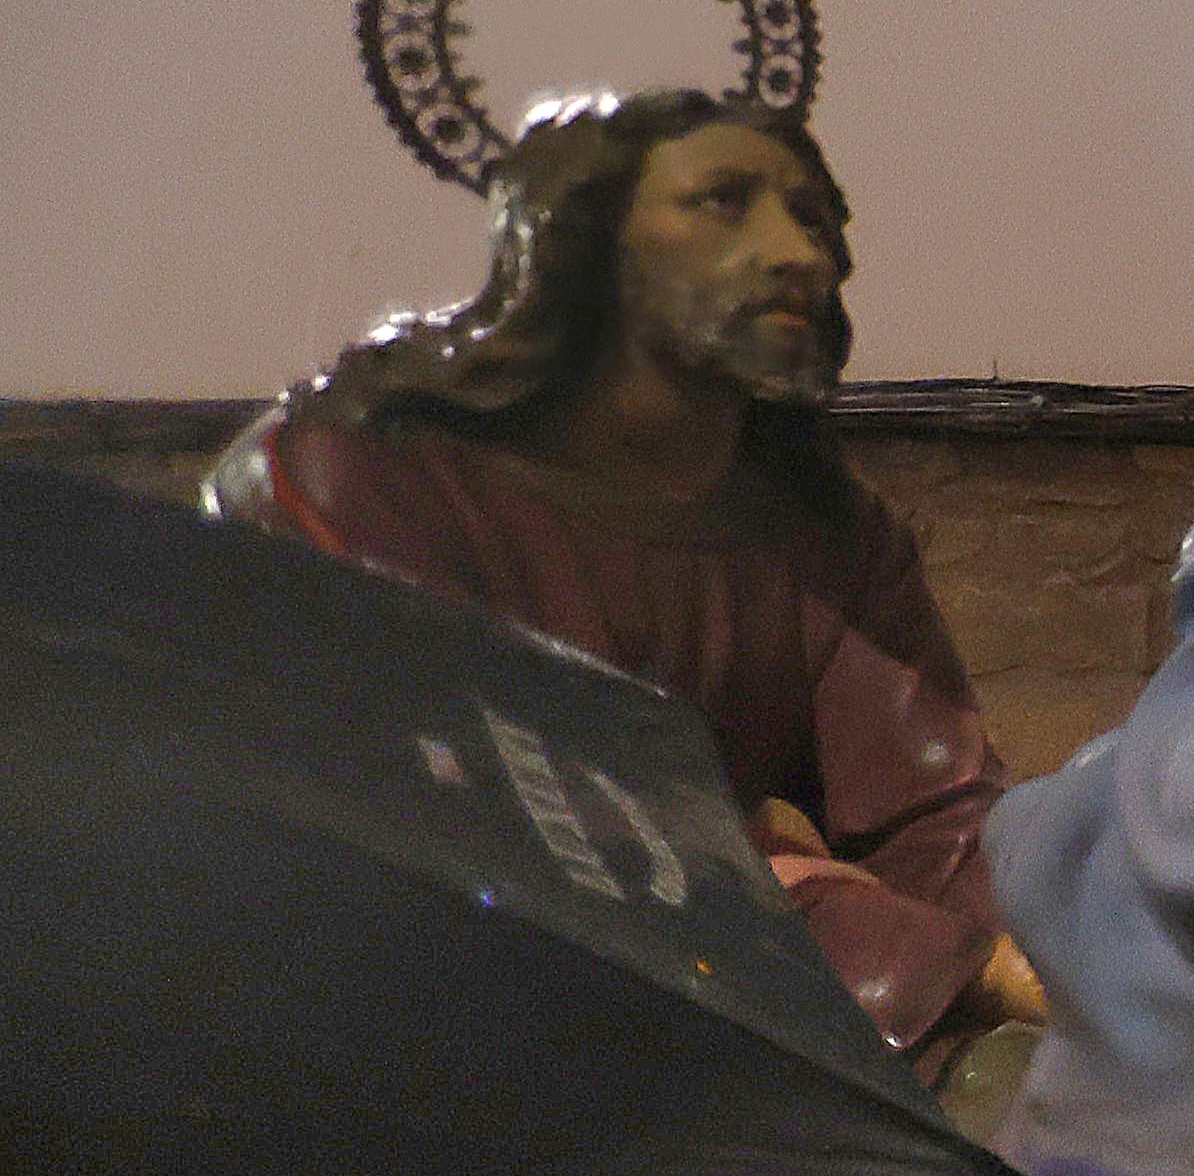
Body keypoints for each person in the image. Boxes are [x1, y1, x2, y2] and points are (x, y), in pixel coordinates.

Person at [209, 90, 1033, 1052]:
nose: (797, 253)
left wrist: (1086, 941)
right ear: (582, 241)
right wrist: (906, 944)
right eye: (725, 202)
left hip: (728, 1016)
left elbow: (938, 821)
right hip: (413, 1013)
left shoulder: (826, 535)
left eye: (812, 218)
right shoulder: (368, 476)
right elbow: (506, 825)